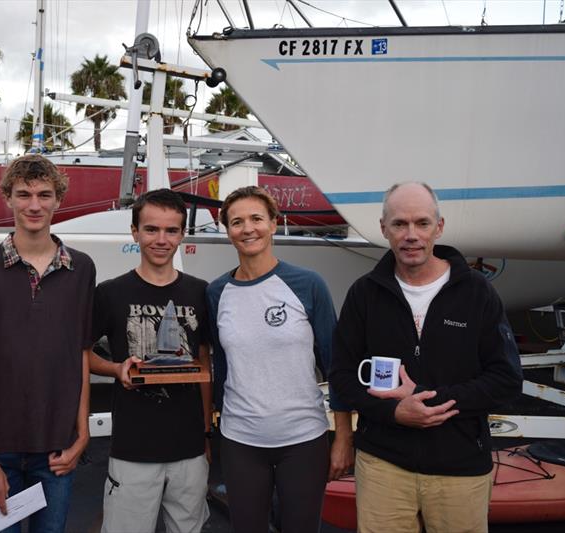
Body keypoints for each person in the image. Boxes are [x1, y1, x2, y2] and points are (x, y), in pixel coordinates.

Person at [329, 181, 523, 533]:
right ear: (383, 228)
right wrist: (395, 412)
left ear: (440, 226)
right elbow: (341, 375)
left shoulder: (477, 292)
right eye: (400, 224)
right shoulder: (364, 294)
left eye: (422, 223)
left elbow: (506, 380)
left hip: (459, 466)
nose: (411, 235)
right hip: (383, 465)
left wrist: (431, 401)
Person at [206, 186, 353, 533]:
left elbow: (336, 364)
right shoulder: (216, 293)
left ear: (274, 224)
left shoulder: (307, 284)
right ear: (227, 231)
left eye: (257, 218)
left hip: (303, 438)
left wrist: (344, 438)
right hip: (241, 440)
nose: (247, 228)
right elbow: (223, 366)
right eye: (236, 222)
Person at [0, 154, 95, 533]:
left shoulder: (81, 268)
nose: (34, 205)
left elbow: (80, 354)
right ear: (8, 198)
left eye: (44, 194)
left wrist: (82, 434)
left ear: (58, 200)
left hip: (57, 449)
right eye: (23, 194)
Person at [87, 188, 212, 533]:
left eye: (171, 230)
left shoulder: (200, 292)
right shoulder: (110, 292)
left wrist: (205, 434)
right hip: (132, 449)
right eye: (151, 229)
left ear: (182, 235)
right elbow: (79, 354)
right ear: (134, 232)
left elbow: (203, 361)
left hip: (190, 450)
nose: (161, 239)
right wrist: (115, 368)